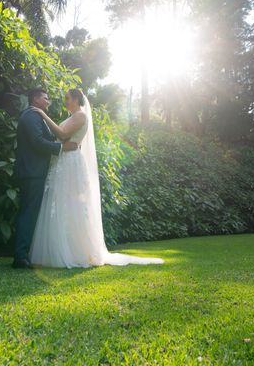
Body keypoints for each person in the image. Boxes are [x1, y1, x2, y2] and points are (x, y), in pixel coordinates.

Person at [28, 88, 164, 268]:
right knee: (59, 203)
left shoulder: (80, 116)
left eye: (68, 98)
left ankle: (76, 251)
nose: (65, 101)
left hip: (70, 163)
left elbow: (61, 134)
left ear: (76, 99)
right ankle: (61, 247)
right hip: (63, 160)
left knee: (72, 205)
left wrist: (43, 115)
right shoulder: (73, 116)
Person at [12, 88, 78, 269]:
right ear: (35, 99)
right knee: (29, 212)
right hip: (32, 172)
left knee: (28, 211)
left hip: (32, 171)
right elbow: (38, 142)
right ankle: (20, 257)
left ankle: (22, 254)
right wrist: (62, 148)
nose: (48, 101)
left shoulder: (34, 116)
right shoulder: (31, 116)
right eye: (45, 98)